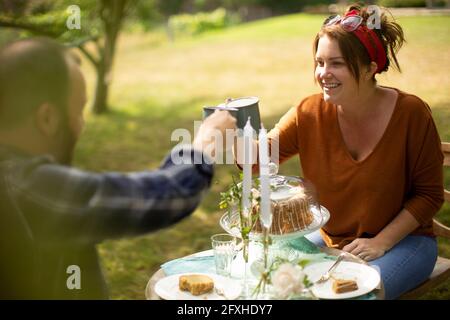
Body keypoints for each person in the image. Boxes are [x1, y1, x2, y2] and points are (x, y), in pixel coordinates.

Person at [0, 37, 236, 299]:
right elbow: (166, 194)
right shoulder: (24, 186)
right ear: (48, 119)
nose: (82, 126)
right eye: (79, 112)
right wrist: (205, 141)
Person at [241, 5, 444, 299]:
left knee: (355, 294)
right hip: (330, 240)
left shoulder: (411, 113)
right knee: (265, 269)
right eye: (319, 62)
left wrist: (382, 242)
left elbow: (429, 195)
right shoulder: (308, 112)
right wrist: (232, 127)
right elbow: (256, 162)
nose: (323, 73)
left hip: (406, 243)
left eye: (336, 63)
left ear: (370, 67)